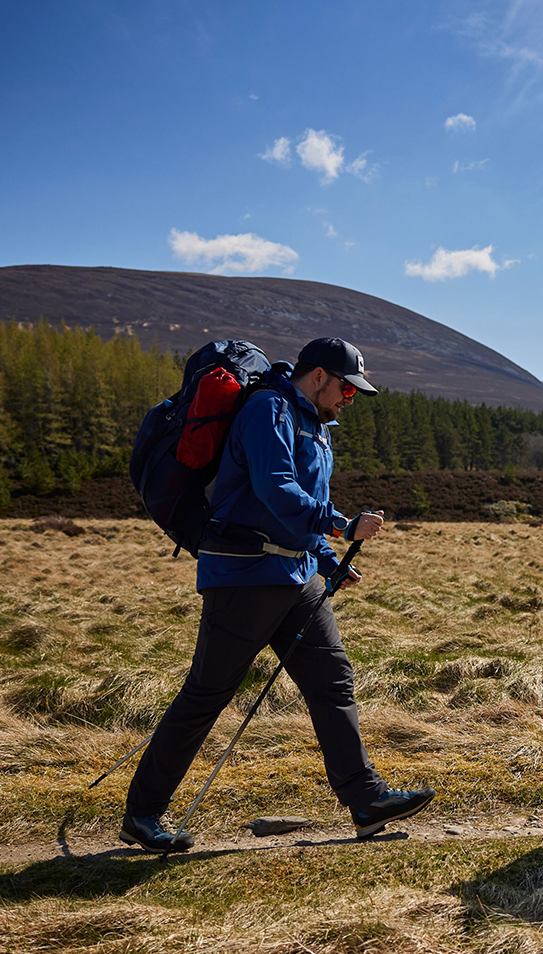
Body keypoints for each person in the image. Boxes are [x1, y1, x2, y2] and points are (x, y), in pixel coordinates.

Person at [120, 337, 433, 853]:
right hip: (245, 574)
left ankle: (367, 800)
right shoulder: (269, 409)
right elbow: (276, 489)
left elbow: (300, 501)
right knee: (207, 695)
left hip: (296, 576)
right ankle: (143, 813)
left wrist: (327, 558)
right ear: (318, 377)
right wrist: (342, 526)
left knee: (333, 682)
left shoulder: (311, 420)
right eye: (346, 390)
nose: (348, 400)